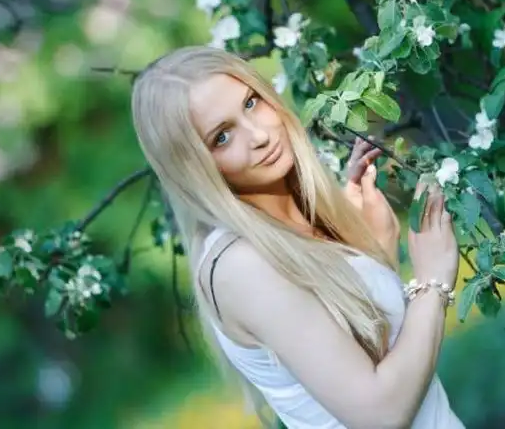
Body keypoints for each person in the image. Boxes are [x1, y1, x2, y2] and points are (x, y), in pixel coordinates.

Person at [131, 45, 464, 429]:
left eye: (251, 103)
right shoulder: (240, 267)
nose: (258, 135)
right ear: (192, 169)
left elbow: (373, 356)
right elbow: (380, 415)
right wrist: (432, 282)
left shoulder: (288, 226)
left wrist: (372, 250)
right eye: (222, 137)